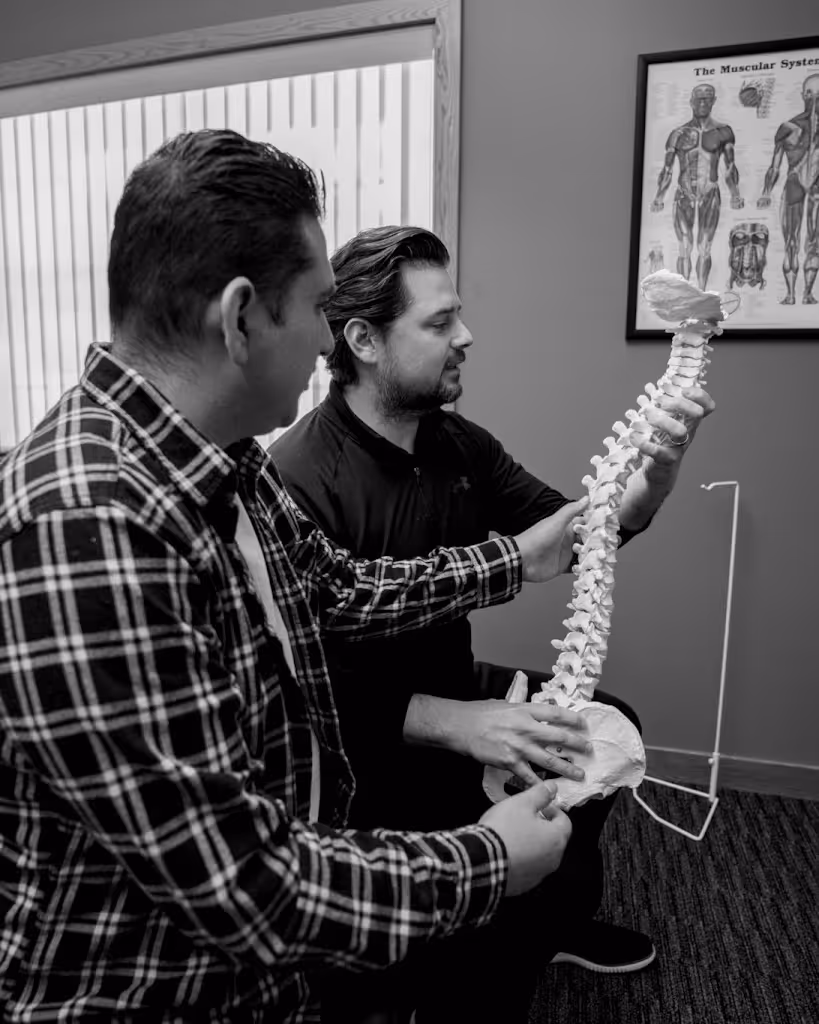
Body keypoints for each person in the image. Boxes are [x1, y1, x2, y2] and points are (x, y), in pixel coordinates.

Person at [0, 131, 597, 1023]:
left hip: (271, 950)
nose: (330, 340)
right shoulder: (88, 522)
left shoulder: (221, 459)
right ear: (241, 318)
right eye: (319, 308)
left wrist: (518, 557)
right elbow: (242, 882)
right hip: (153, 989)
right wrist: (485, 863)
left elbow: (336, 590)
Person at [269, 225, 715, 1023]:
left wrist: (657, 470)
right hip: (363, 738)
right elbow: (302, 687)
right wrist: (459, 726)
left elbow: (578, 536)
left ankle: (552, 926)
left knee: (603, 727)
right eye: (439, 323)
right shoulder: (299, 477)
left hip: (455, 682)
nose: (465, 337)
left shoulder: (456, 443)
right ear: (364, 339)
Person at [650, 83, 744, 290]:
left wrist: (735, 194)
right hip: (684, 194)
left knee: (705, 248)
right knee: (684, 247)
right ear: (691, 101)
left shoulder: (723, 132)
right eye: (699, 98)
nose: (703, 102)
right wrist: (659, 197)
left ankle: (700, 293)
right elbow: (667, 169)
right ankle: (686, 294)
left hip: (710, 193)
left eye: (707, 98)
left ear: (714, 101)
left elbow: (730, 166)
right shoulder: (677, 133)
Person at [757, 73, 819, 305]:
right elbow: (775, 166)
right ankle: (791, 294)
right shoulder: (788, 127)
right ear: (804, 95)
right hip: (793, 185)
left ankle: (808, 293)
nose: (815, 100)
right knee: (791, 241)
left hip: (816, 190)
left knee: (814, 241)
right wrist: (765, 192)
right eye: (811, 94)